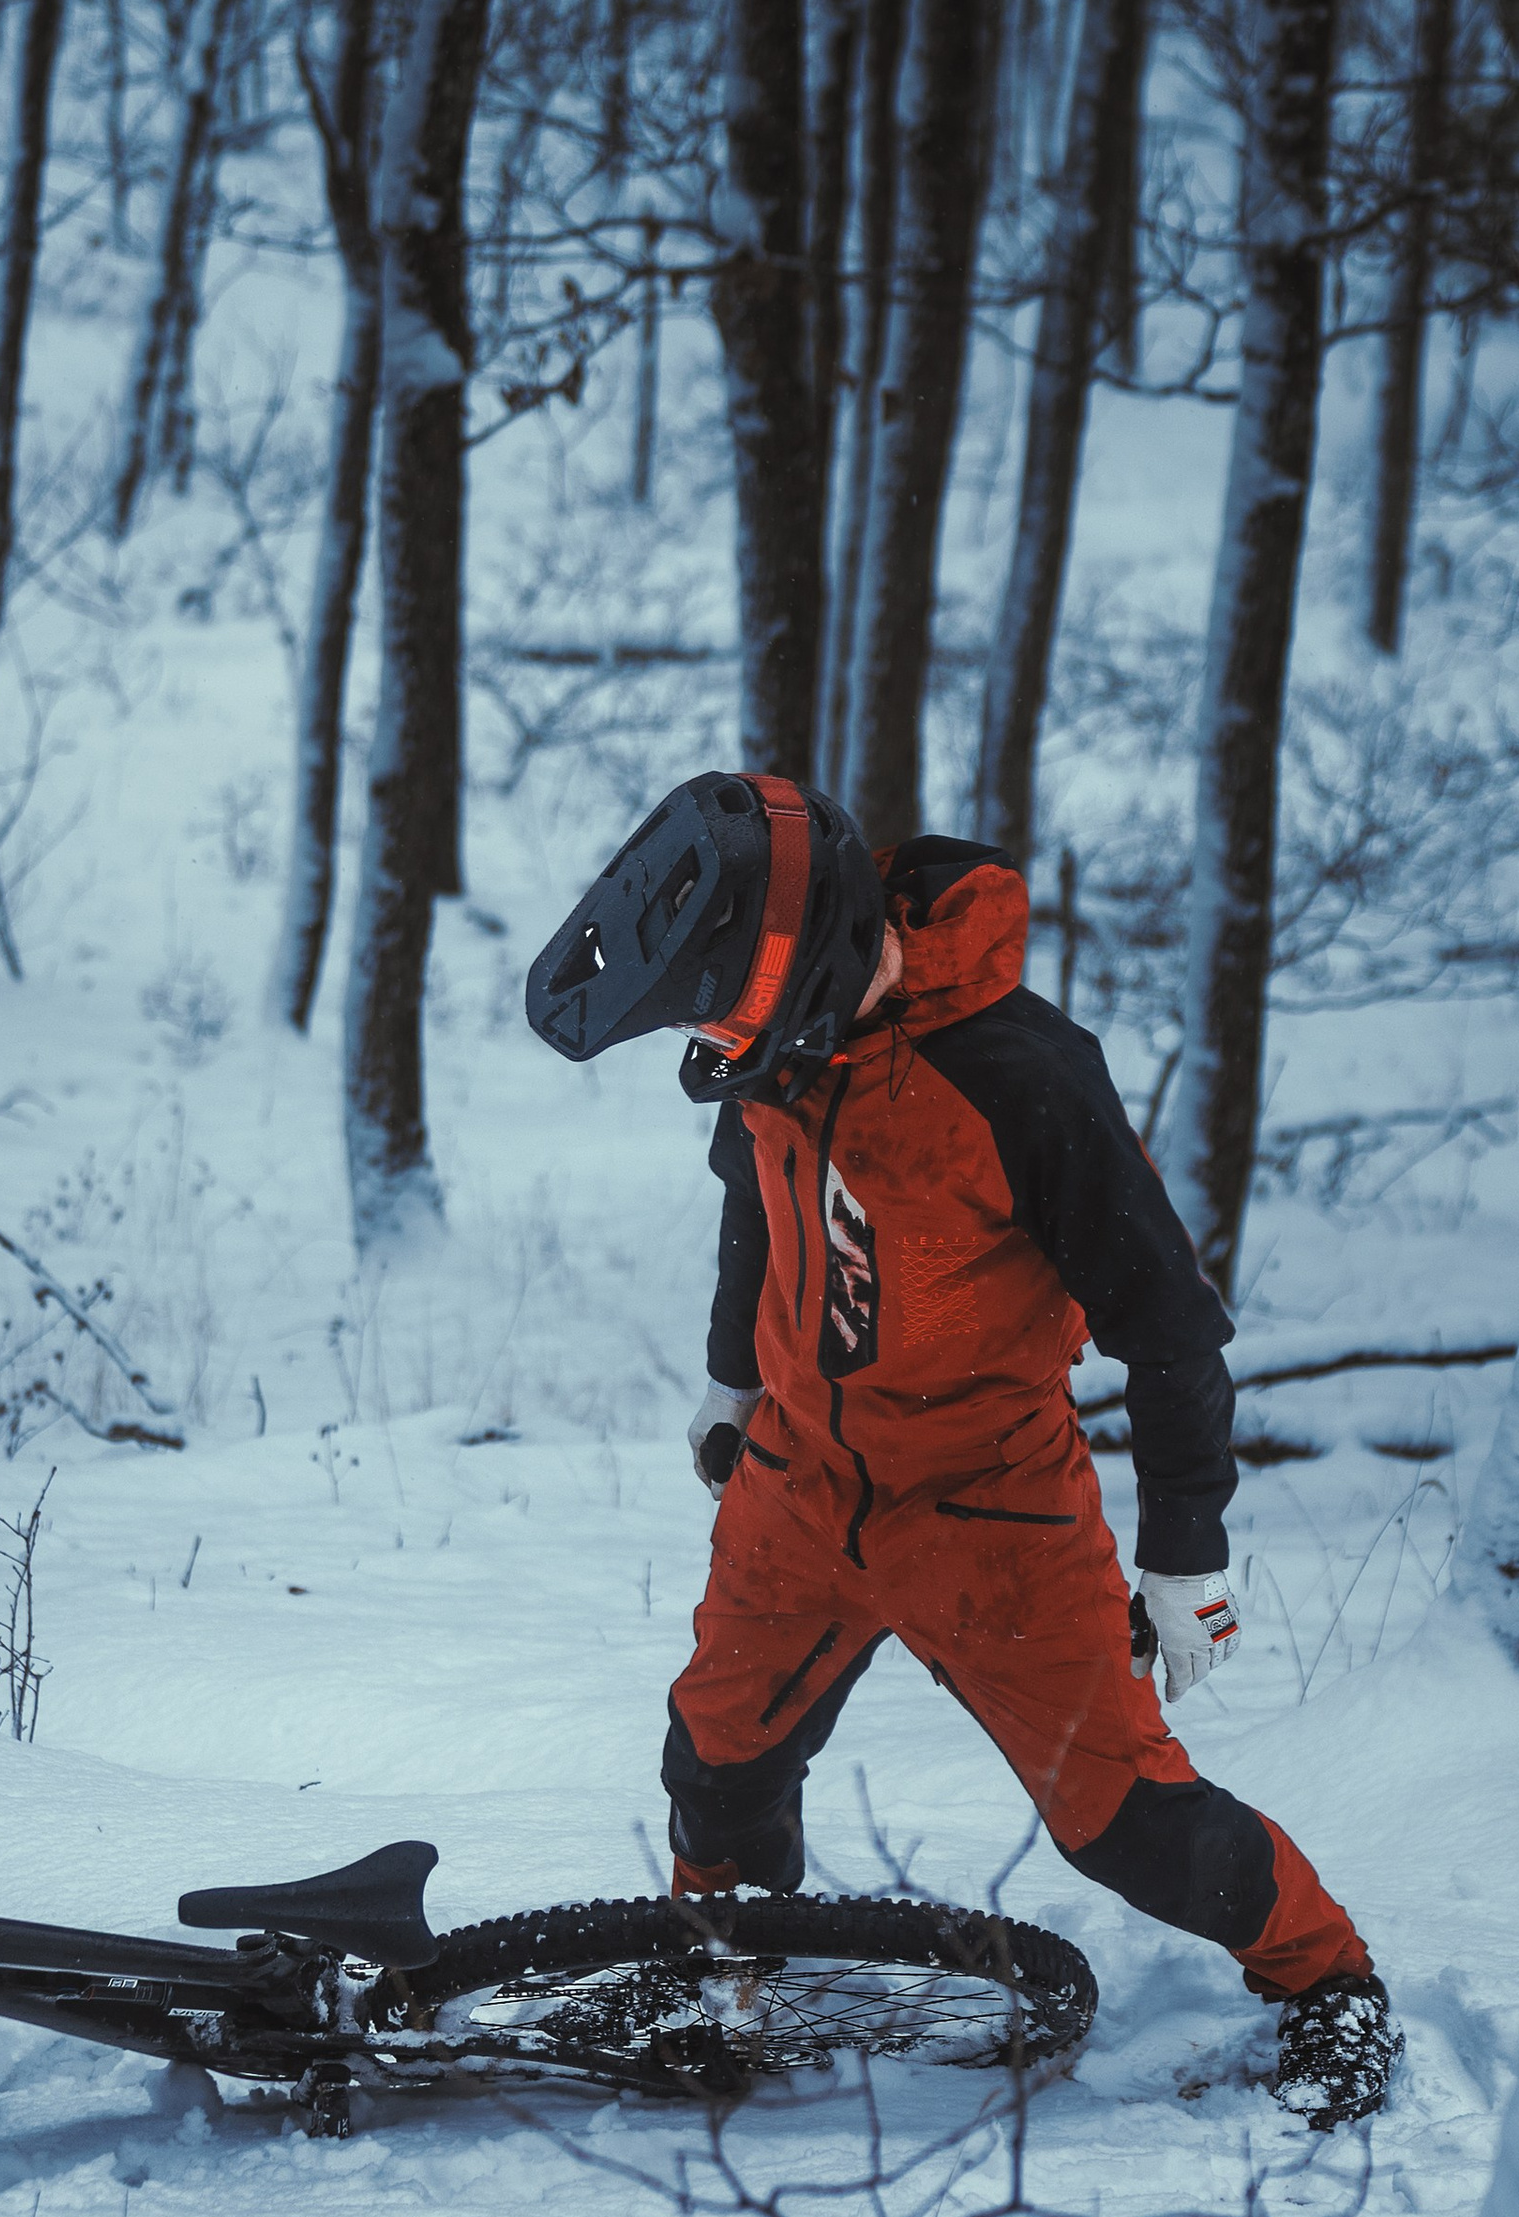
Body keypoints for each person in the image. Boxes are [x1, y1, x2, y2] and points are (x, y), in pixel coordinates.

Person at [525, 770, 1400, 2127]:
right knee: (716, 1762)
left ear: (813, 961)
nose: (721, 1040)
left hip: (989, 1509)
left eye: (729, 1011)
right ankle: (727, 1981)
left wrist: (1186, 1555)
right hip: (803, 1485)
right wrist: (731, 1380)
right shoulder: (774, 1054)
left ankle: (1329, 1975)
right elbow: (752, 1205)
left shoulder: (1023, 1077)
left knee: (1128, 1826)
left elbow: (1169, 1332)